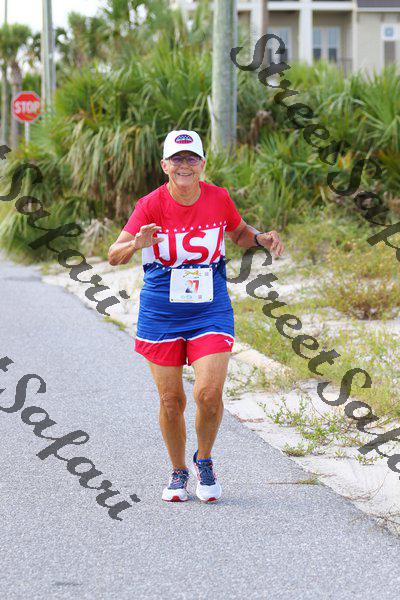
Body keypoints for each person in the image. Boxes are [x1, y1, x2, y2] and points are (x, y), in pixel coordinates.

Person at [108, 130, 284, 503]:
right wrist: (136, 243)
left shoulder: (218, 198)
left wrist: (260, 239)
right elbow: (113, 254)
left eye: (191, 159)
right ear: (164, 165)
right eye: (177, 159)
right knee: (172, 400)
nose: (184, 165)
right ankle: (178, 471)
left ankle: (204, 460)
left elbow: (238, 232)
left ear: (202, 164)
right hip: (161, 312)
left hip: (210, 309)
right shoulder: (150, 204)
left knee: (208, 393)